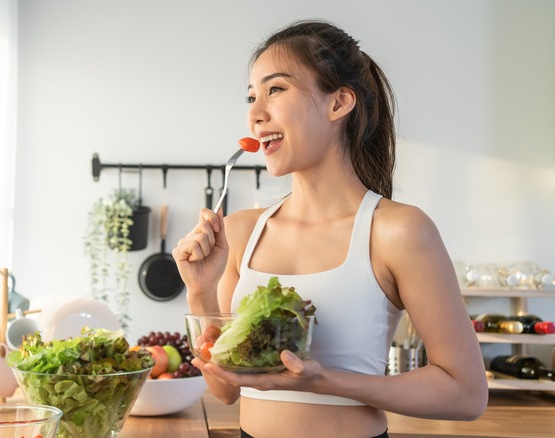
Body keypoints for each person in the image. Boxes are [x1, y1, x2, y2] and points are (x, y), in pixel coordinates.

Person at [172, 19, 488, 438]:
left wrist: (324, 380)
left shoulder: (398, 230)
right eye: (251, 96)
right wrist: (200, 290)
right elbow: (225, 388)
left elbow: (465, 394)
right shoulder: (242, 231)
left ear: (338, 103)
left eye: (276, 89)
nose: (254, 113)